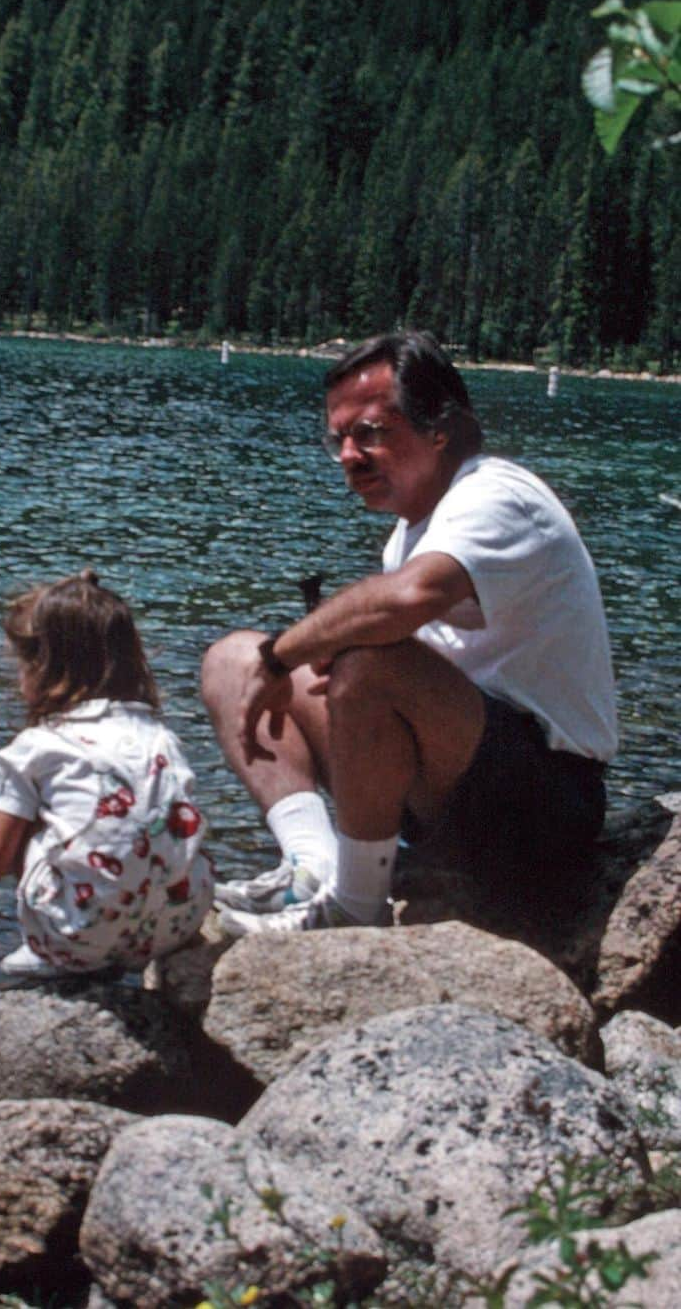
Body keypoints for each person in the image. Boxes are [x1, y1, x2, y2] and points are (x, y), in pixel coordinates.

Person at [201, 330, 616, 935]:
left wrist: (285, 656)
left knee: (365, 664)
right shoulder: (411, 531)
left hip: (548, 809)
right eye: (337, 438)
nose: (348, 455)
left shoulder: (497, 496)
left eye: (369, 432)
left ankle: (355, 908)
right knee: (232, 660)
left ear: (439, 428)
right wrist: (279, 663)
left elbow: (407, 599)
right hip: (457, 790)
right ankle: (313, 867)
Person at [0, 570, 213, 976]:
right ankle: (142, 924)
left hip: (78, 939)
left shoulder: (39, 749)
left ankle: (49, 947)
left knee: (32, 825)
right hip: (176, 927)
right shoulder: (160, 737)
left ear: (44, 667)